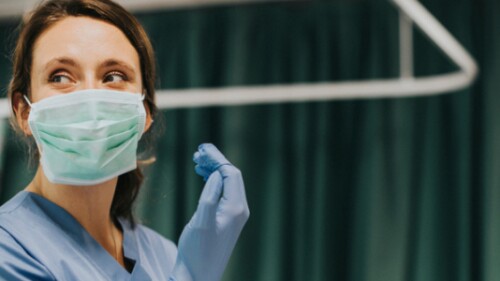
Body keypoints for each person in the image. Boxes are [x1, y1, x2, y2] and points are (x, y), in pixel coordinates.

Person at [0, 0, 249, 280]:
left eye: (114, 76)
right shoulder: (8, 249)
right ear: (24, 111)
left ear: (144, 112)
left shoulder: (163, 254)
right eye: (60, 77)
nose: (91, 99)